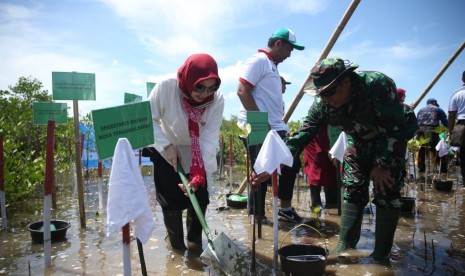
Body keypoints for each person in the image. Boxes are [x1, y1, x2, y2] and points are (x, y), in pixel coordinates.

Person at [280, 57, 407, 260]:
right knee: (352, 187)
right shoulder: (324, 103)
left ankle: (381, 254)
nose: (326, 98)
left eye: (329, 92)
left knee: (386, 189)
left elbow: (396, 130)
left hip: (389, 140)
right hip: (358, 141)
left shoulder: (376, 85)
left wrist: (383, 165)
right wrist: (280, 157)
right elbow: (306, 132)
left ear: (346, 81)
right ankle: (346, 245)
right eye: (321, 94)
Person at [146, 53, 224, 250]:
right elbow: (149, 119)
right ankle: (177, 248)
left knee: (199, 198)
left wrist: (198, 176)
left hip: (197, 150)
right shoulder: (166, 87)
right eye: (199, 86)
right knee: (170, 201)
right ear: (189, 80)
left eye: (211, 88)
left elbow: (209, 138)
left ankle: (195, 242)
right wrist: (166, 146)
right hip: (166, 146)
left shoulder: (216, 100)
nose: (205, 93)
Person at [237, 27, 305, 223]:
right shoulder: (259, 61)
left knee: (291, 162)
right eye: (289, 49)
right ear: (278, 44)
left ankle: (282, 209)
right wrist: (262, 126)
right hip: (260, 127)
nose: (290, 54)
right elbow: (242, 91)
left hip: (274, 128)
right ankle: (257, 216)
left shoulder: (272, 65)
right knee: (261, 169)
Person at [303, 122, 338, 209]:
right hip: (315, 142)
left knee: (331, 174)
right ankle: (316, 206)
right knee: (316, 174)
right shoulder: (318, 112)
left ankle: (332, 204)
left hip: (330, 140)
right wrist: (331, 153)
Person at [416, 98, 448, 182]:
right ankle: (438, 172)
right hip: (431, 130)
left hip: (420, 131)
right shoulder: (438, 109)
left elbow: (416, 122)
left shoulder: (420, 110)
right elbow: (445, 122)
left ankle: (421, 172)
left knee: (422, 151)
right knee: (436, 150)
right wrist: (451, 129)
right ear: (434, 103)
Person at [448, 70, 465, 185]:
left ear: (462, 79)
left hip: (462, 125)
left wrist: (450, 131)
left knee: (463, 154)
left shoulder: (457, 94)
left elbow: (451, 115)